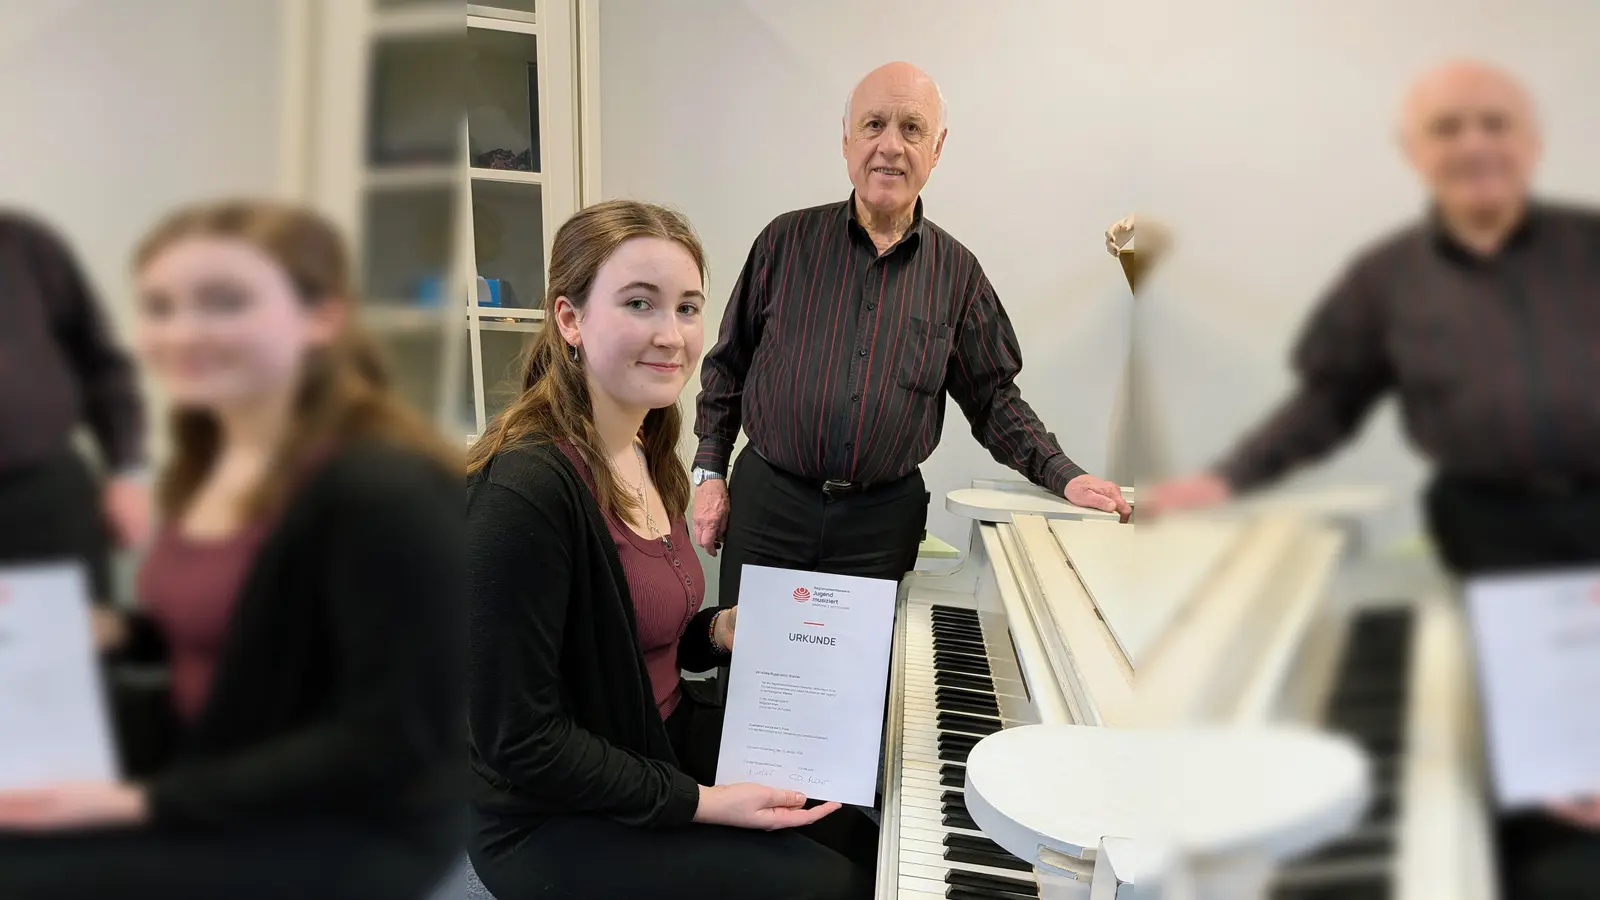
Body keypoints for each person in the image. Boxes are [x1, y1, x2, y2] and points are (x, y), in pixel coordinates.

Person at [1144, 60, 1600, 900]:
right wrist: (1222, 481)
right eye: (1449, 127)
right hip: (1484, 540)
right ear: (1415, 151)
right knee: (1519, 808)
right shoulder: (1385, 277)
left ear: (1531, 141)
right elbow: (1326, 403)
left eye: (1495, 123)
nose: (1475, 144)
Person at [0, 200, 465, 900]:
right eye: (160, 307)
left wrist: (139, 804)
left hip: (350, 824)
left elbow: (390, 740)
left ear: (322, 317)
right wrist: (116, 630)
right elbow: (254, 630)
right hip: (223, 778)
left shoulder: (381, 488)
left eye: (224, 303)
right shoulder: (213, 458)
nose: (183, 331)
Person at [465, 199, 874, 900]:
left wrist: (713, 631)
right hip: (551, 812)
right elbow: (522, 740)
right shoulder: (526, 488)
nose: (671, 334)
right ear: (570, 319)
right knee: (830, 884)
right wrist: (706, 803)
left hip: (650, 739)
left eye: (687, 308)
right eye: (638, 303)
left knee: (856, 824)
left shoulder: (647, 450)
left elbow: (625, 636)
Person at [690, 60, 1130, 651]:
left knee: (863, 698)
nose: (890, 147)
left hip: (878, 527)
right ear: (846, 140)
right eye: (873, 124)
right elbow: (727, 366)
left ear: (938, 147)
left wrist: (1064, 474)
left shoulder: (959, 274)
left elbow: (994, 398)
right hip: (771, 508)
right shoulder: (784, 242)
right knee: (753, 685)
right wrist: (710, 473)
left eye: (912, 128)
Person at [0, 209, 151, 603]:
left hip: (42, 498)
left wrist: (126, 471)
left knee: (67, 651)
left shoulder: (24, 243)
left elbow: (101, 363)